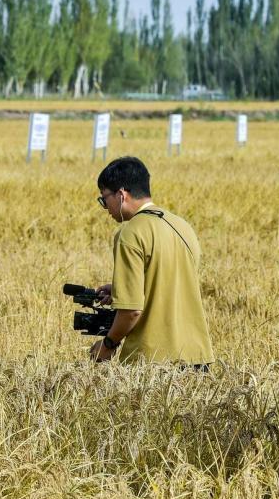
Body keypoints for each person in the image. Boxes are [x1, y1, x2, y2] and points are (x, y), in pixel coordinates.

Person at [90, 156, 214, 367]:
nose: (105, 207)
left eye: (104, 199)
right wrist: (120, 288)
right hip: (197, 354)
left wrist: (107, 345)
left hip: (152, 361)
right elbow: (169, 280)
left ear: (121, 195)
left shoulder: (130, 233)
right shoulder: (181, 225)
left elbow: (132, 311)